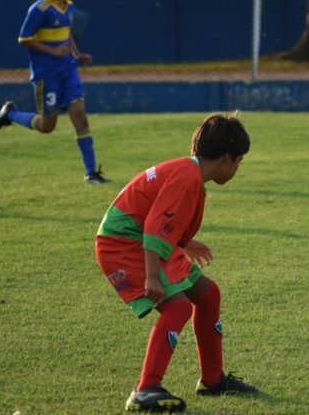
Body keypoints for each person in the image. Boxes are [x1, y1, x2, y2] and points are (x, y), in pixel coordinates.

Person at [95, 113, 258, 412]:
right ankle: (146, 389)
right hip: (124, 244)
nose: (237, 168)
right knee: (178, 306)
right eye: (239, 161)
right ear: (225, 158)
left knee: (208, 294)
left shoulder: (189, 172)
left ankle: (212, 380)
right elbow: (155, 226)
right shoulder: (187, 178)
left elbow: (160, 219)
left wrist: (186, 243)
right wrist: (152, 277)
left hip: (141, 240)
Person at [0, 0, 109, 184]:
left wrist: (76, 55)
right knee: (47, 127)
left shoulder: (69, 6)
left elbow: (67, 34)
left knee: (80, 116)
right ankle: (10, 114)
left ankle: (91, 172)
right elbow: (24, 39)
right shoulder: (39, 9)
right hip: (46, 75)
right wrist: (53, 51)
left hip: (68, 70)